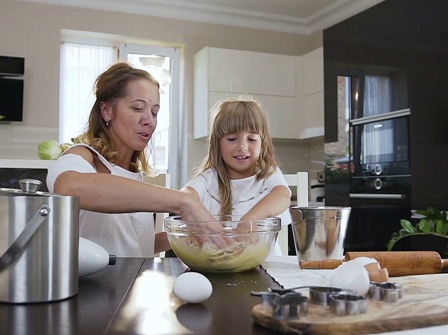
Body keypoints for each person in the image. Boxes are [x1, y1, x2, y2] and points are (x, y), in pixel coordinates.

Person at [47, 61, 215, 257]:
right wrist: (183, 201)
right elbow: (68, 187)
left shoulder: (134, 173)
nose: (149, 121)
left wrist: (184, 235)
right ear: (106, 111)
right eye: (137, 108)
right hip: (91, 286)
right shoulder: (84, 157)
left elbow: (133, 246)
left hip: (130, 284)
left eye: (154, 112)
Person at [181, 96, 292, 254]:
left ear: (263, 143)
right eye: (232, 139)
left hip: (268, 267)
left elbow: (282, 195)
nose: (242, 146)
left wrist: (251, 219)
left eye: (252, 139)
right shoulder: (209, 178)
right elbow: (184, 196)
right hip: (218, 265)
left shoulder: (268, 174)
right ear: (217, 143)